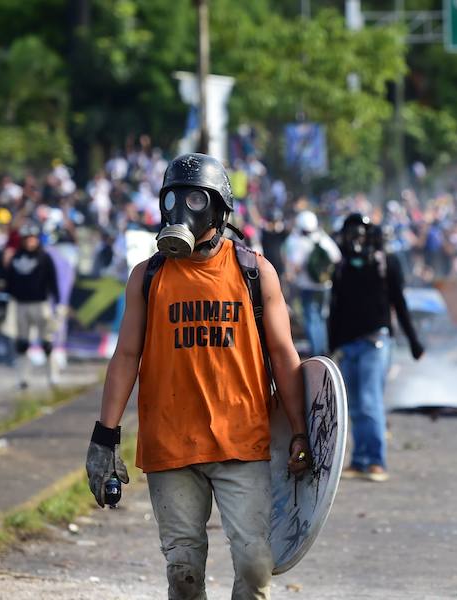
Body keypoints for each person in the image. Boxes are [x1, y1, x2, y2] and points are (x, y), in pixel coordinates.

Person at [85, 153, 310, 600]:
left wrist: (302, 431)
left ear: (220, 210)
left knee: (254, 564)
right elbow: (126, 356)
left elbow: (285, 356)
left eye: (194, 200)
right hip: (170, 443)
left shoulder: (254, 271)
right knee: (183, 570)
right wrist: (104, 438)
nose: (180, 211)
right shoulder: (147, 277)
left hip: (242, 442)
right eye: (172, 199)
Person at [328, 214, 424, 482]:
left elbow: (400, 304)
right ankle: (360, 460)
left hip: (375, 342)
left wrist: (414, 342)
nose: (354, 241)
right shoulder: (342, 267)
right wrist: (331, 346)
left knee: (370, 402)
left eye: (359, 235)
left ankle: (376, 461)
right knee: (355, 406)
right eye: (350, 236)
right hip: (348, 346)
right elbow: (335, 310)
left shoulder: (387, 264)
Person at [3, 221, 61, 388]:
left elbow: (53, 280)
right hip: (21, 305)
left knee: (46, 343)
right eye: (27, 238)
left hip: (40, 304)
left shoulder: (44, 257)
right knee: (22, 344)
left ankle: (52, 376)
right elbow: (9, 282)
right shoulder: (16, 258)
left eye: (33, 238)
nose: (30, 241)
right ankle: (23, 379)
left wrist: (57, 302)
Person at [283, 210, 341, 357]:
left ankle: (316, 352)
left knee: (310, 318)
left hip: (307, 287)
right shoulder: (323, 238)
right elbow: (336, 257)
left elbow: (294, 266)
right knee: (320, 318)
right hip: (325, 285)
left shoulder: (298, 242)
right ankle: (323, 350)